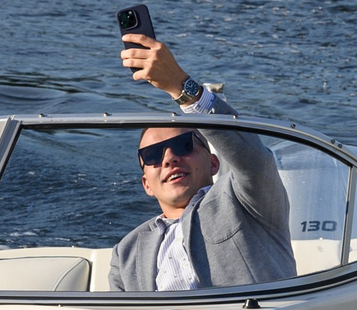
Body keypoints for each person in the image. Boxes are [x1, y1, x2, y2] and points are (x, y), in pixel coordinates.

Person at [109, 32, 296, 292]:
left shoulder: (248, 201)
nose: (169, 158)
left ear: (213, 163)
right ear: (146, 184)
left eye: (182, 146)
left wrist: (179, 85)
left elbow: (253, 161)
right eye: (153, 155)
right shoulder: (126, 253)